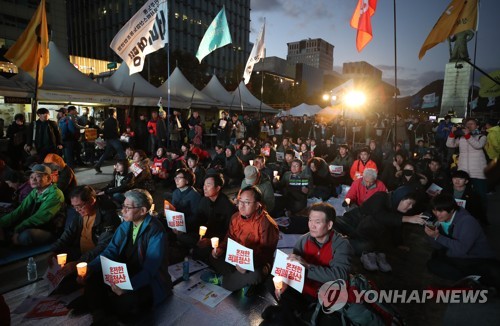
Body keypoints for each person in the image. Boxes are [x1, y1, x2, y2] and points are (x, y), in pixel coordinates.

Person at [80, 189, 173, 322]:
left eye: (127, 208)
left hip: (147, 279)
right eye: (123, 206)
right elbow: (111, 251)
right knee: (92, 277)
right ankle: (100, 311)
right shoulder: (126, 224)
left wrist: (128, 286)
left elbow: (150, 270)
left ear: (142, 211)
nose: (122, 211)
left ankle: (102, 309)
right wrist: (90, 267)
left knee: (126, 302)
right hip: (126, 271)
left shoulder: (155, 231)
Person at [261, 203, 353, 325]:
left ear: (329, 225)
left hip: (326, 295)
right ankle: (294, 311)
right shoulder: (303, 240)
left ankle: (290, 312)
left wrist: (308, 266)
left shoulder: (341, 245)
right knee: (272, 281)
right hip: (304, 290)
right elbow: (293, 268)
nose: (312, 226)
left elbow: (340, 276)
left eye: (317, 222)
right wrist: (285, 281)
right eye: (310, 220)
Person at [202, 186, 279, 292]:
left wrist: (247, 264)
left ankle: (223, 281)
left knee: (256, 275)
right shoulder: (235, 217)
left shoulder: (266, 224)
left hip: (256, 263)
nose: (241, 206)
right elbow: (229, 238)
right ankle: (240, 281)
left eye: (247, 203)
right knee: (212, 255)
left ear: (257, 205)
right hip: (236, 258)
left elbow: (266, 254)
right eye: (240, 201)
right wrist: (221, 249)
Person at [335, 186, 426, 271]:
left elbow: (397, 227)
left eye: (412, 205)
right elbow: (380, 215)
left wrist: (398, 243)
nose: (410, 207)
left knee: (366, 246)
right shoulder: (381, 197)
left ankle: (342, 242)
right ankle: (339, 240)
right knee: (331, 222)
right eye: (409, 203)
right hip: (351, 223)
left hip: (363, 234)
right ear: (400, 198)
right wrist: (408, 219)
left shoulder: (398, 211)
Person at [424, 193, 500, 291]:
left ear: (451, 210)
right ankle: (472, 279)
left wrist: (438, 237)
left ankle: (476, 280)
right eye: (434, 210)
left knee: (493, 274)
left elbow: (461, 250)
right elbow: (438, 246)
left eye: (441, 211)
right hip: (456, 255)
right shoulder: (438, 220)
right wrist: (431, 235)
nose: (437, 214)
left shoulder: (467, 221)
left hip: (477, 257)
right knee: (433, 263)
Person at [49, 186, 120, 282]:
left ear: (91, 200)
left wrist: (79, 262)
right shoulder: (82, 211)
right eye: (74, 207)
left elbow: (103, 246)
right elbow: (69, 232)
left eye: (79, 206)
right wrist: (54, 249)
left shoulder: (108, 215)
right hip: (80, 252)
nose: (77, 210)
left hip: (95, 258)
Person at [0, 164, 65, 246]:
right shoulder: (35, 192)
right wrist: (1, 222)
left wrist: (18, 229)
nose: (33, 179)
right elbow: (20, 210)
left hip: (49, 229)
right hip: (35, 226)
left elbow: (40, 217)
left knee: (26, 236)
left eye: (37, 176)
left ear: (48, 178)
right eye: (31, 177)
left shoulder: (55, 194)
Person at [446, 118, 488, 211]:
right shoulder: (461, 138)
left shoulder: (482, 137)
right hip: (464, 171)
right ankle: (466, 214)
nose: (469, 125)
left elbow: (478, 145)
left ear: (477, 126)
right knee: (465, 195)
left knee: (480, 195)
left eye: (472, 124)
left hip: (478, 172)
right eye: (467, 124)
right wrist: (452, 133)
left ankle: (481, 216)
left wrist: (467, 135)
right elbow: (450, 144)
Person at [194, 174, 237, 262]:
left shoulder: (228, 206)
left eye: (208, 185)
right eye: (204, 185)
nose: (204, 188)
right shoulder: (204, 200)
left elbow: (229, 232)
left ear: (218, 188)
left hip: (220, 240)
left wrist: (210, 241)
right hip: (205, 236)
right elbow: (198, 220)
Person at [169, 168, 202, 262]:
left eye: (179, 178)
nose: (176, 180)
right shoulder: (176, 192)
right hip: (176, 224)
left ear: (187, 180)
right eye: (175, 178)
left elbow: (195, 217)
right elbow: (173, 210)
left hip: (189, 226)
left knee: (180, 237)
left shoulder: (194, 195)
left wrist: (181, 227)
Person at [94, 109, 126, 174]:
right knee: (121, 152)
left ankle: (97, 165)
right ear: (114, 113)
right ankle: (125, 167)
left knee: (106, 153)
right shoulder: (115, 121)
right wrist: (119, 136)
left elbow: (102, 129)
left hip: (108, 139)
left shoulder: (105, 121)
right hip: (114, 139)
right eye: (115, 112)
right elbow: (116, 130)